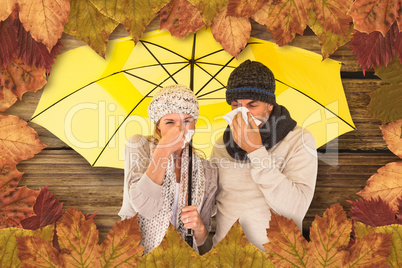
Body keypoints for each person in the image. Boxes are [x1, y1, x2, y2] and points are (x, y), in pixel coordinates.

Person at [211, 60, 318, 251]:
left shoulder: (299, 140)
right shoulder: (221, 144)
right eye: (236, 104)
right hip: (227, 256)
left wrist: (256, 151)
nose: (242, 113)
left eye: (252, 105)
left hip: (277, 257)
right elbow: (210, 206)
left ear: (269, 105)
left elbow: (295, 210)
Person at [119, 84, 218, 254]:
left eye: (187, 121)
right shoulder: (139, 146)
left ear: (194, 123)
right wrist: (164, 149)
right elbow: (144, 206)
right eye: (170, 122)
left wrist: (198, 226)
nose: (179, 129)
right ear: (158, 125)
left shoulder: (207, 170)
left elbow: (201, 239)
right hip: (137, 258)